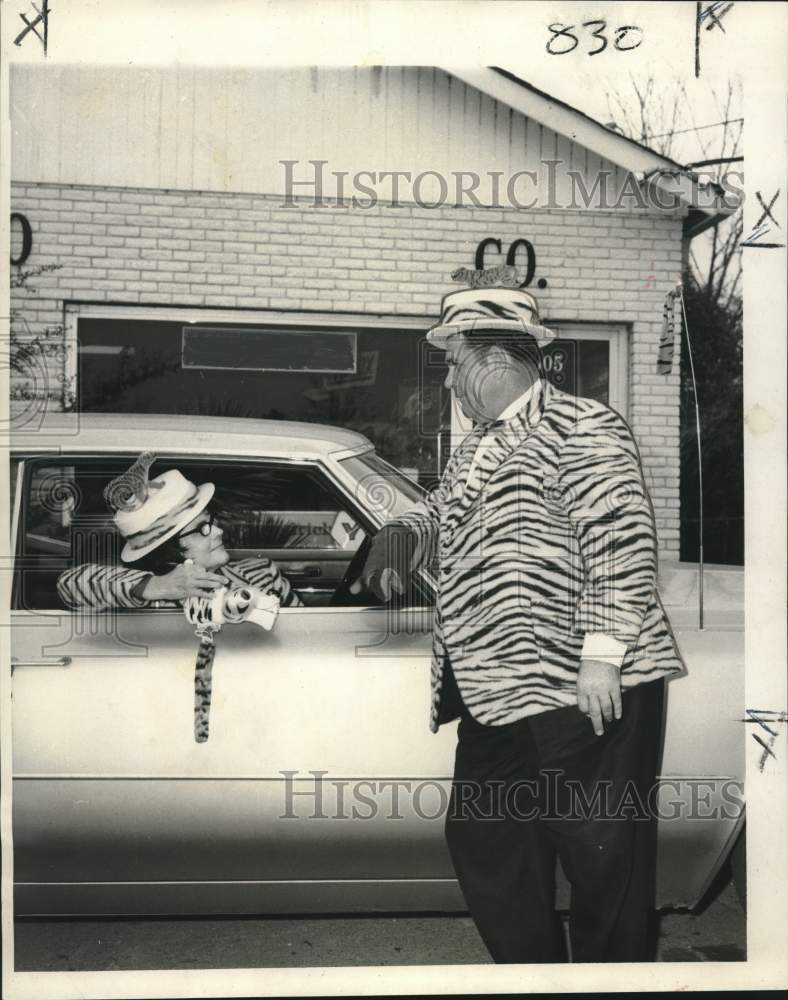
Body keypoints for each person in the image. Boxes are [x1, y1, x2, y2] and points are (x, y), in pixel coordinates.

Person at [352, 285, 685, 964]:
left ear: (496, 360)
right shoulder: (480, 443)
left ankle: (610, 983)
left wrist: (603, 655)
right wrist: (402, 532)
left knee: (602, 858)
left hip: (582, 681)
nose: (448, 378)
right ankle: (533, 975)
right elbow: (446, 508)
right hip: (497, 687)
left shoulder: (583, 425)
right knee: (487, 838)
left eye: (454, 363)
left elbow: (621, 540)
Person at [57, 452, 301, 611]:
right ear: (169, 550)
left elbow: (305, 635)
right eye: (201, 529)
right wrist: (156, 586)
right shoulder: (146, 600)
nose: (217, 531)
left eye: (211, 521)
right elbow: (69, 585)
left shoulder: (263, 573)